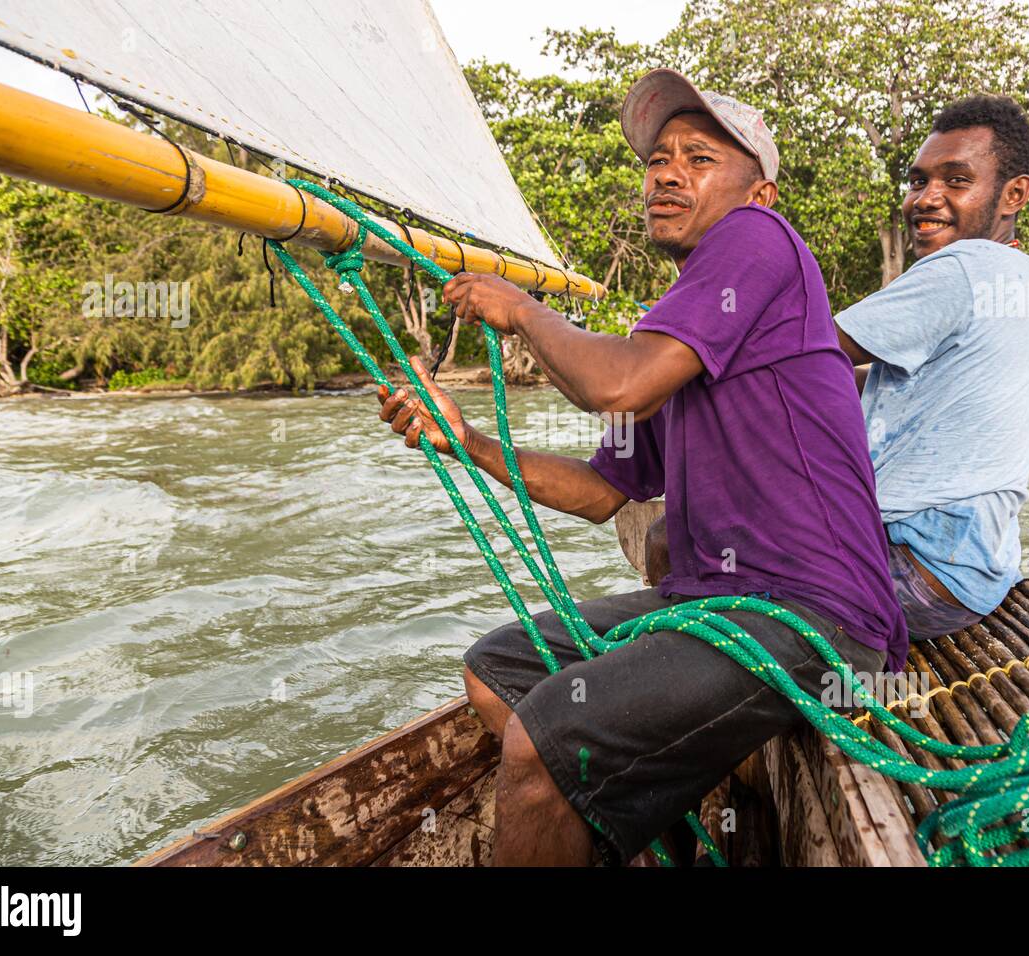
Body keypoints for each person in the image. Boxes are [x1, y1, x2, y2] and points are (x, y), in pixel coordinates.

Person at [377, 69, 905, 866]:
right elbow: (599, 494)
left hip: (813, 614)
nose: (665, 172)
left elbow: (613, 383)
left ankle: (573, 798)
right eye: (658, 158)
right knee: (496, 670)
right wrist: (466, 441)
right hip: (717, 601)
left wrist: (522, 309)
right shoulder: (683, 332)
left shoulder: (759, 243)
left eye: (699, 158)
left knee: (535, 749)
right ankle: (635, 831)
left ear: (758, 194)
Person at [645, 94, 1029, 642]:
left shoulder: (963, 267)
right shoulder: (1020, 278)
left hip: (915, 566)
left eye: (956, 181)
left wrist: (669, 356)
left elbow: (804, 346)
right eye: (918, 181)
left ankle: (696, 675)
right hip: (976, 566)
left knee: (673, 537)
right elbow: (839, 377)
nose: (927, 199)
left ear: (1014, 194)